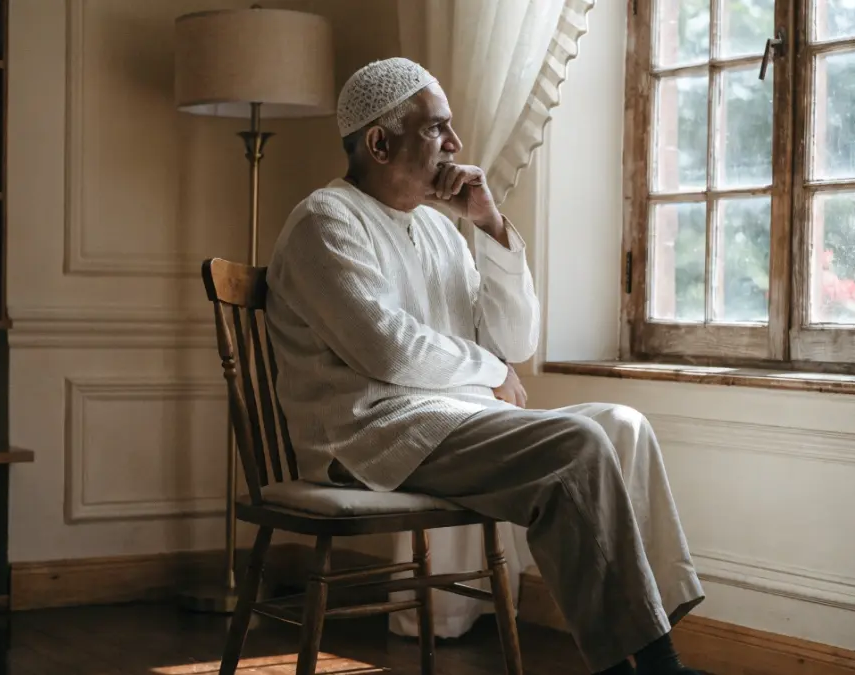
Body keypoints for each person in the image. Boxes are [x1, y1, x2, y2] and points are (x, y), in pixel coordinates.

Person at [265, 57, 708, 675]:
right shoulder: (325, 220)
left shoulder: (441, 230)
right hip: (369, 437)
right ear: (380, 143)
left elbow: (514, 339)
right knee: (577, 443)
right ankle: (655, 667)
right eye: (435, 128)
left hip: (450, 422)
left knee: (622, 426)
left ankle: (657, 643)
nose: (455, 143)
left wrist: (490, 224)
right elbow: (389, 349)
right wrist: (491, 372)